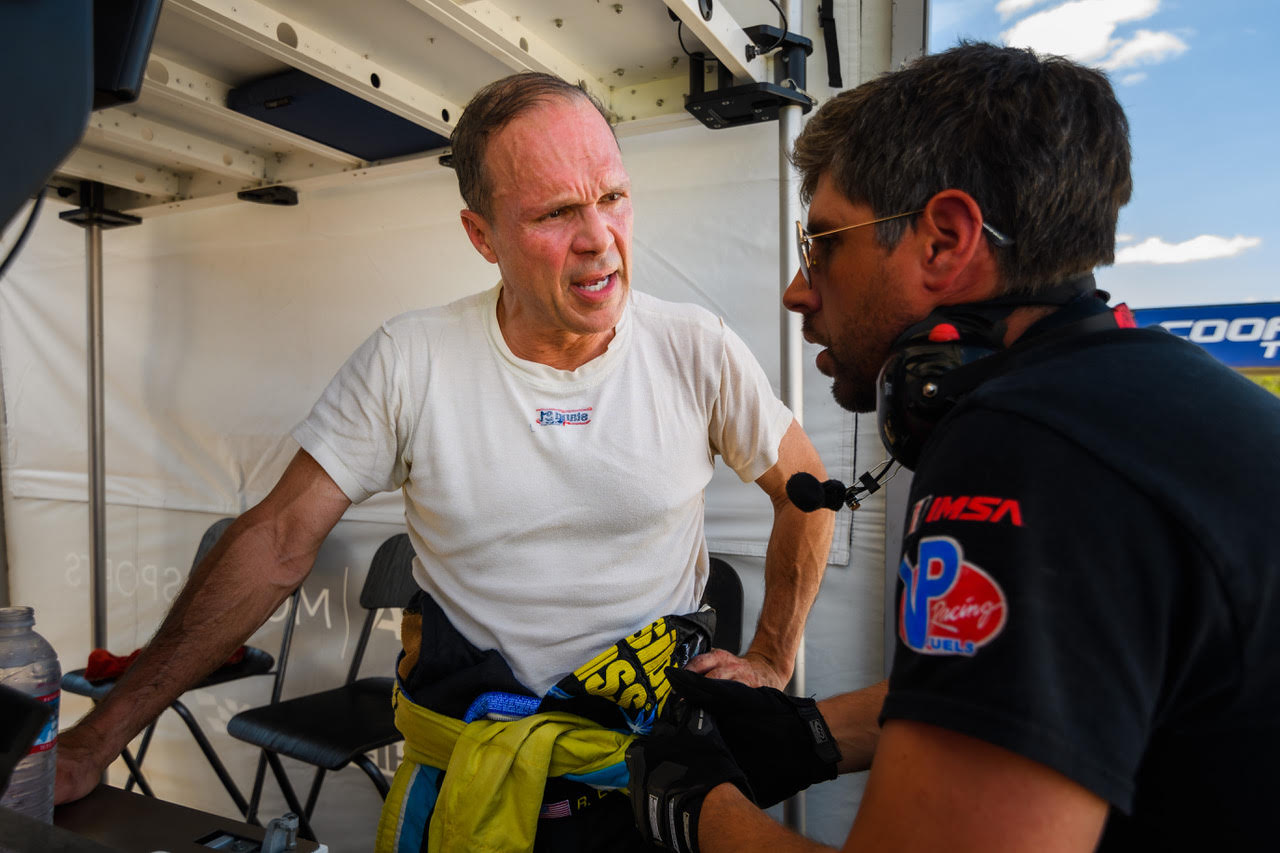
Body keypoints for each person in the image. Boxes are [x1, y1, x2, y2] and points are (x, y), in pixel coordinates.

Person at [53, 72, 835, 850]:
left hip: (649, 782)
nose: (599, 237)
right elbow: (277, 539)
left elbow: (808, 492)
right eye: (556, 212)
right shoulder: (411, 360)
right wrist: (96, 739)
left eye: (612, 196)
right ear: (482, 236)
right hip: (467, 785)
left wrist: (771, 658)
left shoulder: (693, 347)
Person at [626, 42, 1280, 852]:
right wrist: (809, 732)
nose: (797, 290)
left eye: (823, 242)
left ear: (943, 241)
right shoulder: (1125, 403)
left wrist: (698, 808)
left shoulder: (1024, 449)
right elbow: (1026, 690)